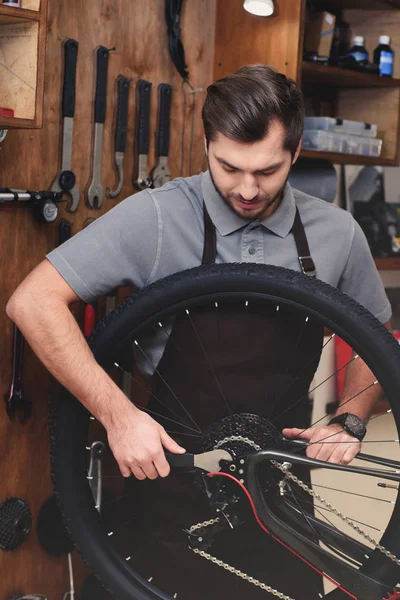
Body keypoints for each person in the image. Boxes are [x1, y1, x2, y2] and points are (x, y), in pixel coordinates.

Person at [6, 63, 392, 598]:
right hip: (165, 483)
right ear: (207, 143)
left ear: (297, 151)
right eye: (228, 167)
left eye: (268, 170)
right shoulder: (159, 218)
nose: (249, 189)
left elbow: (375, 335)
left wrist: (350, 420)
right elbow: (33, 302)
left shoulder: (336, 234)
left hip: (279, 494)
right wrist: (117, 415)